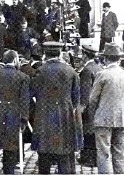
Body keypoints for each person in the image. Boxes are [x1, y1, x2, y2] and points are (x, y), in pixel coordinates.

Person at [31, 41, 81, 174]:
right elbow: (76, 99)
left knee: (44, 151)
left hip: (44, 115)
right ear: (59, 53)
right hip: (65, 115)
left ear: (45, 54)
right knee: (64, 150)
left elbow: (32, 92)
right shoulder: (71, 71)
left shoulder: (40, 71)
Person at [0, 50, 30, 174]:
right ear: (15, 60)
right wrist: (24, 119)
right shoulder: (22, 77)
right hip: (12, 116)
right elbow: (25, 101)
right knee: (10, 149)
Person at [89, 43, 124, 174]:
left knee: (104, 153)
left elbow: (93, 99)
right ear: (119, 59)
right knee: (120, 152)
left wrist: (95, 114)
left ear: (106, 58)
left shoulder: (102, 74)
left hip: (103, 118)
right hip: (122, 119)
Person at [78, 44, 103, 167]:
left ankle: (89, 159)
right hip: (99, 105)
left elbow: (85, 92)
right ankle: (95, 158)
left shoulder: (87, 70)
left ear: (84, 55)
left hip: (90, 108)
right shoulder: (99, 67)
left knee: (88, 132)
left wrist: (81, 108)